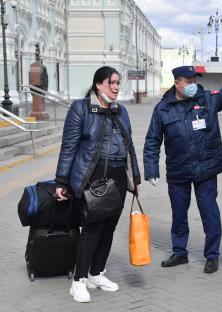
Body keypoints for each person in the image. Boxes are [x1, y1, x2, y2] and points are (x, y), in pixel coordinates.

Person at [143, 54, 222, 274]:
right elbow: (152, 140)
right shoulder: (162, 109)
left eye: (195, 81)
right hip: (179, 169)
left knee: (209, 211)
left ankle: (212, 255)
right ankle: (180, 252)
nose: (193, 85)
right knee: (179, 213)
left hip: (206, 167)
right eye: (189, 81)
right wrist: (151, 169)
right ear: (177, 83)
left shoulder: (208, 99)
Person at [55, 66, 141, 303]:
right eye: (111, 83)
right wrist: (61, 181)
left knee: (109, 227)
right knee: (92, 229)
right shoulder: (80, 109)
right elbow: (68, 147)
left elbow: (130, 146)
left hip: (119, 177)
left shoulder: (120, 111)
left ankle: (96, 273)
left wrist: (135, 178)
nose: (116, 87)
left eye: (118, 83)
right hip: (93, 177)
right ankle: (79, 281)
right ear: (98, 85)